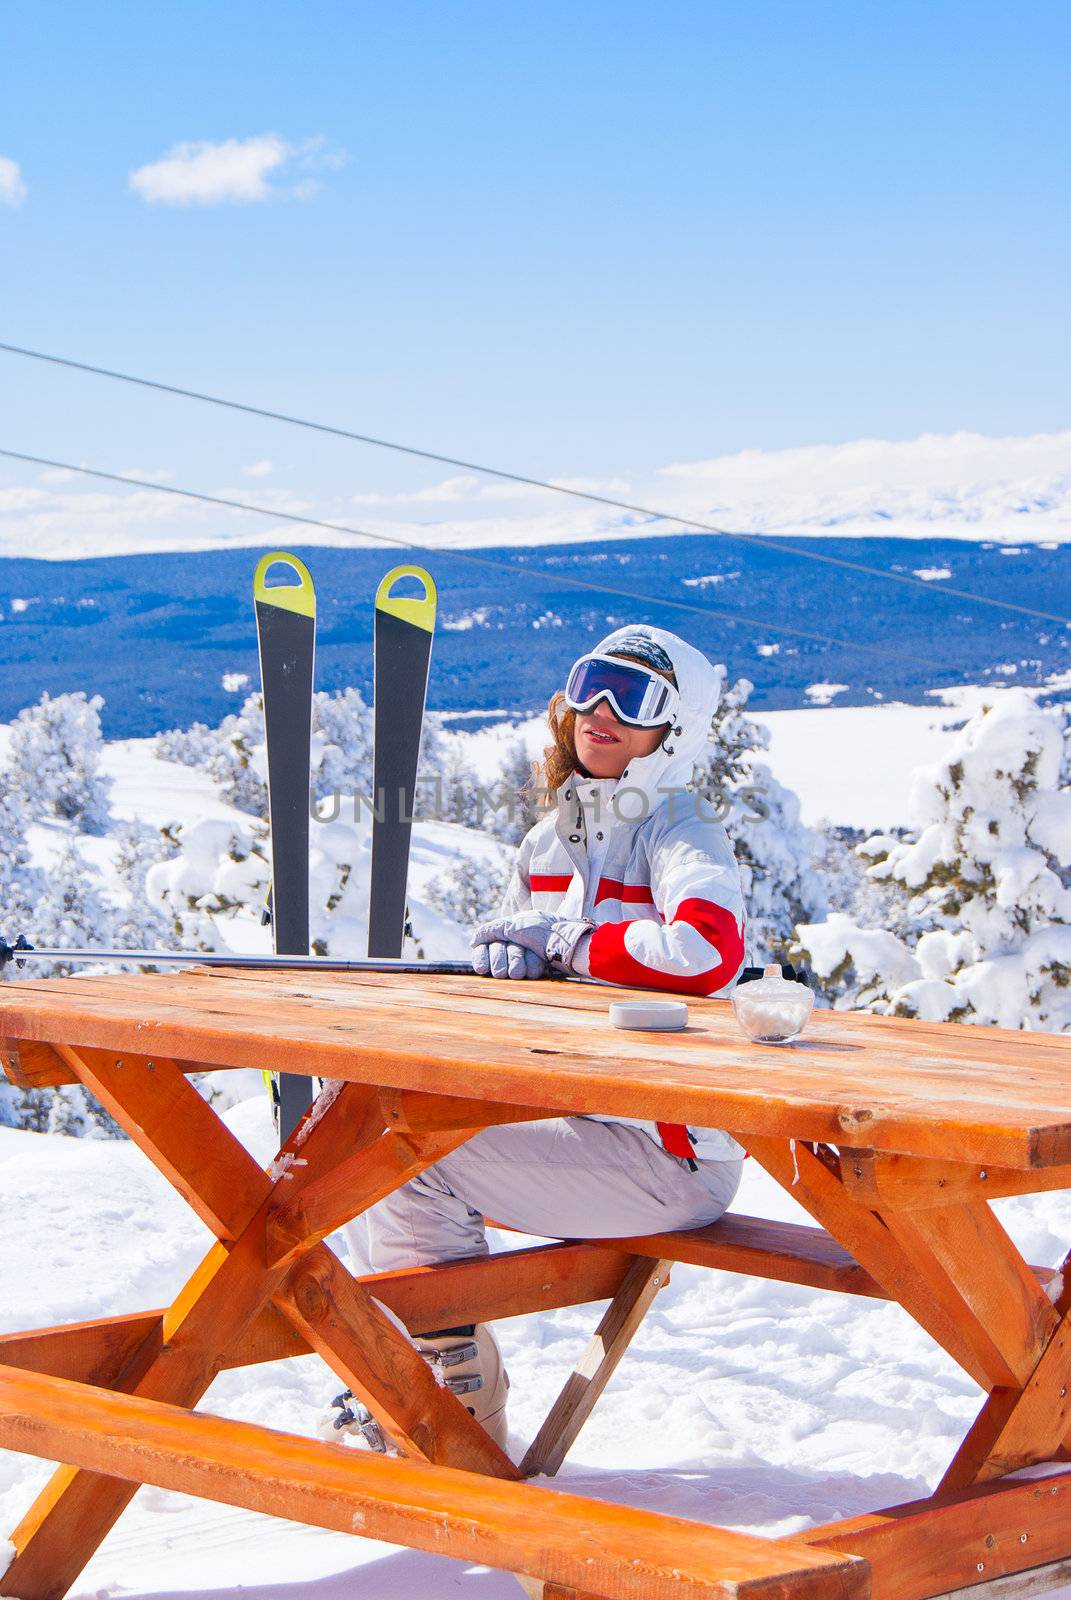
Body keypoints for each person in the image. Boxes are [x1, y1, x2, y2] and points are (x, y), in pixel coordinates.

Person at [346, 624, 747, 1452]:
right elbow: (548, 992)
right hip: (581, 1125)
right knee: (372, 1132)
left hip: (669, 1153)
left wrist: (564, 944)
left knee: (401, 1158)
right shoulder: (545, 844)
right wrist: (511, 972)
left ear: (674, 733)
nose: (600, 711)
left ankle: (444, 1402)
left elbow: (707, 949)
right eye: (591, 683)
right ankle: (424, 1379)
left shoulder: (678, 827)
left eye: (633, 699)